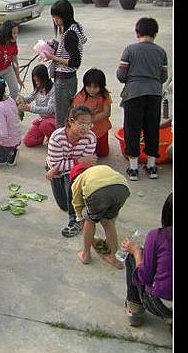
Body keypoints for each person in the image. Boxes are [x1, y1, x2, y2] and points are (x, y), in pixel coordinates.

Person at [117, 17, 168, 181]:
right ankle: (152, 166)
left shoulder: (129, 50)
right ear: (155, 34)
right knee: (152, 128)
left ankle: (133, 169)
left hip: (134, 94)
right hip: (154, 94)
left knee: (132, 129)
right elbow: (163, 76)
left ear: (137, 32)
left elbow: (121, 75)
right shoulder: (161, 52)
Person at [46, 106, 97, 237]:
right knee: (64, 205)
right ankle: (78, 204)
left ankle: (75, 220)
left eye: (89, 124)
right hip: (56, 171)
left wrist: (76, 164)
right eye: (81, 123)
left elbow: (86, 164)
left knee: (72, 176)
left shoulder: (91, 138)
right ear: (70, 121)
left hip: (71, 172)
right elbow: (56, 164)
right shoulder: (57, 137)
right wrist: (79, 161)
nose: (85, 128)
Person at [122, 193, 172, 328]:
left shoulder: (157, 236)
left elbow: (143, 277)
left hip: (161, 302)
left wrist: (136, 252)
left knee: (132, 256)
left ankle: (135, 308)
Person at [71, 163, 130, 269]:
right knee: (108, 221)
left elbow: (77, 204)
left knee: (90, 219)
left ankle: (86, 255)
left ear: (73, 178)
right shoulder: (99, 169)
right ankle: (115, 259)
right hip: (122, 188)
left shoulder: (77, 181)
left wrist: (80, 219)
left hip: (98, 191)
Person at [42, 0, 88, 128]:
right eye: (53, 17)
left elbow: (74, 62)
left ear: (65, 16)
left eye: (57, 17)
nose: (55, 20)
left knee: (61, 117)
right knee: (67, 113)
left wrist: (53, 57)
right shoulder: (76, 26)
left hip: (64, 81)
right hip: (69, 79)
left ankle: (61, 143)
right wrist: (55, 47)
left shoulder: (69, 35)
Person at [72, 68, 112, 158]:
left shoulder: (104, 95)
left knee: (103, 154)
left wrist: (90, 119)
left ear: (101, 86)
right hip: (85, 131)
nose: (92, 90)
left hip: (101, 130)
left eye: (95, 87)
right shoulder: (80, 96)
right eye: (89, 86)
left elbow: (107, 113)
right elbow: (75, 114)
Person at [21, 64, 56, 147]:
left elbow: (50, 110)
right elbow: (29, 98)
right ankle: (42, 136)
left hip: (52, 119)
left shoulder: (53, 90)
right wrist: (18, 100)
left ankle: (54, 141)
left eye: (38, 81)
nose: (37, 83)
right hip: (42, 120)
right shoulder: (38, 88)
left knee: (45, 125)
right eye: (35, 81)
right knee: (27, 141)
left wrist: (31, 108)